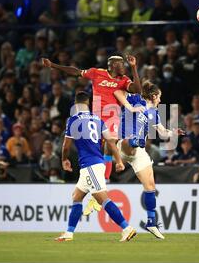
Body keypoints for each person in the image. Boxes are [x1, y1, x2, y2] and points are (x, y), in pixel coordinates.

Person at [41, 54, 142, 182]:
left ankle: (105, 180)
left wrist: (134, 68)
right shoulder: (96, 73)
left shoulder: (124, 80)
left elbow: (138, 90)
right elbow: (76, 72)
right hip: (96, 118)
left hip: (112, 118)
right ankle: (93, 178)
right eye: (122, 64)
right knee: (94, 149)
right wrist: (53, 65)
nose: (124, 67)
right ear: (113, 66)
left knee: (109, 145)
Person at [55, 91, 136, 242]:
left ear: (75, 104)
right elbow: (111, 142)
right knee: (77, 196)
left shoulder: (73, 120)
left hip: (91, 165)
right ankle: (69, 233)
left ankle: (127, 228)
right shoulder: (97, 119)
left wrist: (64, 160)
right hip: (94, 164)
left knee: (102, 199)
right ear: (88, 104)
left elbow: (66, 146)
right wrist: (118, 160)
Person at [109, 81, 184, 239]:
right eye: (160, 97)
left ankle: (151, 222)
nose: (160, 101)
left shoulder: (154, 113)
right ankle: (134, 141)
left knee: (150, 186)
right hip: (122, 145)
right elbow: (118, 93)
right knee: (130, 140)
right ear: (154, 96)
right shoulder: (136, 99)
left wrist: (174, 132)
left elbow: (162, 133)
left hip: (138, 151)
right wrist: (129, 106)